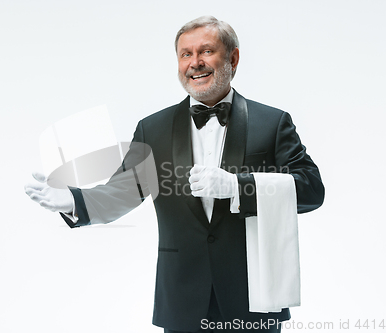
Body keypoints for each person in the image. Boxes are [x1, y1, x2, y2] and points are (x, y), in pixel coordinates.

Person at [25, 16, 324, 333]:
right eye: (185, 54)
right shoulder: (153, 129)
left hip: (253, 297)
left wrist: (239, 187)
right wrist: (73, 201)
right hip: (183, 298)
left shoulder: (272, 123)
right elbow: (124, 192)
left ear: (233, 58)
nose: (195, 63)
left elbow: (311, 190)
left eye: (206, 51)